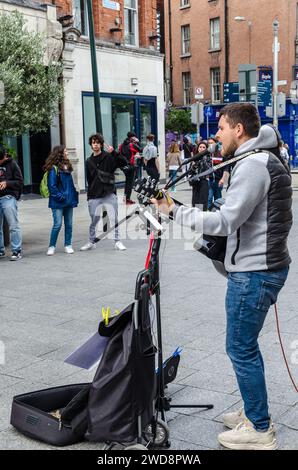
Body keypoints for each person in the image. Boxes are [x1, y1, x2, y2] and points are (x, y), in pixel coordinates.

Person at [152, 103, 292, 450]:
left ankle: (259, 429)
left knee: (240, 348)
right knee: (245, 347)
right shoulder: (258, 159)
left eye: (221, 128)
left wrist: (175, 210)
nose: (216, 134)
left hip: (256, 272)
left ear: (239, 130)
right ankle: (254, 411)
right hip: (258, 268)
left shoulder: (255, 164)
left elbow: (227, 221)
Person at [81, 133, 127, 252]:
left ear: (101, 144)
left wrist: (114, 153)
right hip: (94, 194)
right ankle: (91, 241)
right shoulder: (88, 161)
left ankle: (117, 241)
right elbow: (89, 180)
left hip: (109, 192)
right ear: (91, 145)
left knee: (113, 218)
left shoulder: (109, 157)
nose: (95, 145)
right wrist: (89, 195)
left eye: (97, 142)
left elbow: (124, 162)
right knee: (94, 219)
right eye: (93, 143)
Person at [45, 146, 78, 256]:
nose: (67, 153)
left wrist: (74, 197)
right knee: (57, 224)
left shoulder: (67, 166)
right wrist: (61, 197)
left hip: (69, 201)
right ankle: (51, 246)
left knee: (69, 224)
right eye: (65, 151)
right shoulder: (54, 168)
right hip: (58, 202)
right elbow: (52, 187)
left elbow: (71, 185)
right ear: (60, 153)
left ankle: (68, 245)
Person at [0, 144, 23, 261]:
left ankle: (16, 250)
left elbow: (20, 182)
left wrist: (7, 183)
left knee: (13, 225)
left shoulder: (12, 164)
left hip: (8, 197)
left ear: (5, 155)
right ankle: (0, 251)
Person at [119, 132, 142, 205]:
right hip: (131, 166)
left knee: (127, 182)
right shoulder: (132, 144)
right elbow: (140, 149)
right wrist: (138, 142)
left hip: (124, 166)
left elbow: (119, 154)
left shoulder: (121, 145)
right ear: (132, 137)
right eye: (134, 137)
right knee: (130, 183)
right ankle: (127, 199)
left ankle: (126, 198)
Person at [207, 137, 229, 209]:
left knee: (218, 199)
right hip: (209, 180)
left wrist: (223, 179)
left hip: (218, 180)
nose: (210, 144)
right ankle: (208, 213)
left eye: (212, 143)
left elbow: (226, 168)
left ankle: (217, 213)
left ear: (216, 144)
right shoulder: (207, 154)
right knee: (209, 198)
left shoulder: (221, 154)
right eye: (209, 143)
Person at [189, 140, 211, 210]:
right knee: (195, 202)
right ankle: (196, 218)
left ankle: (201, 218)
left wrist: (203, 158)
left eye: (203, 147)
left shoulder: (208, 158)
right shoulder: (194, 158)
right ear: (198, 148)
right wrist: (193, 166)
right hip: (195, 182)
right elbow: (190, 172)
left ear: (206, 149)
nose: (201, 148)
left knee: (202, 202)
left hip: (204, 182)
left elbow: (208, 169)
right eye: (200, 147)